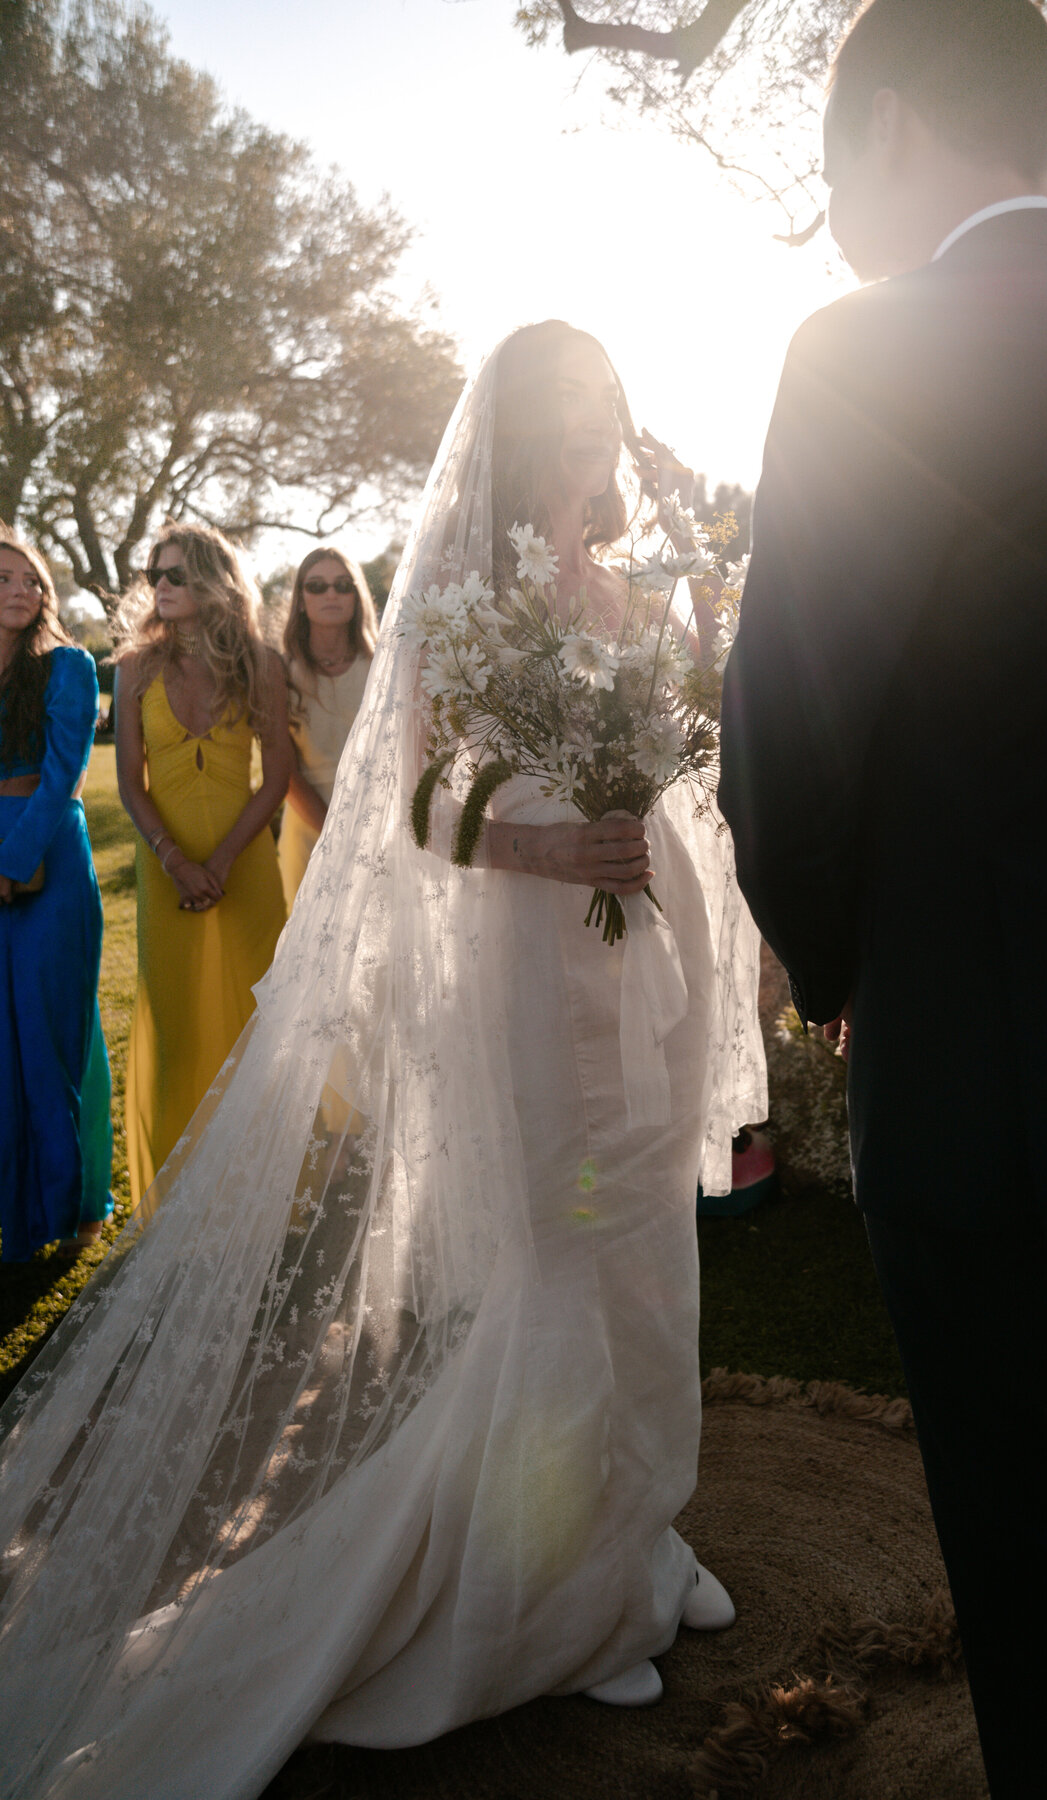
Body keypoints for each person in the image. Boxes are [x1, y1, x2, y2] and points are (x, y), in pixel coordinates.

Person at [0, 323, 765, 1798]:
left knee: (646, 1260)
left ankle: (642, 1527)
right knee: (559, 1262)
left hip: (638, 965)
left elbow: (680, 735)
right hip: (533, 981)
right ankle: (557, 1597)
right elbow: (408, 810)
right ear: (525, 435)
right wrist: (547, 845)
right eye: (577, 419)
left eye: (611, 414)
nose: (598, 442)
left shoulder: (617, 586)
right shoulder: (459, 606)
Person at [718, 2, 1047, 1795]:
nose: (839, 203)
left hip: (961, 1044)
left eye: (840, 157)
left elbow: (782, 739)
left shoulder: (860, 352)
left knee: (1020, 1504)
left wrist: (834, 964)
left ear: (899, 125)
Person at [113, 522, 290, 1205]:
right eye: (155, 573)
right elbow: (132, 781)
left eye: (176, 574)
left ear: (214, 581)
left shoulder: (260, 664)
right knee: (179, 1025)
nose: (160, 585)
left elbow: (274, 779)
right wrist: (177, 863)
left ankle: (258, 1185)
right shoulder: (134, 665)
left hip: (245, 862)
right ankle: (180, 1192)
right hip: (165, 867)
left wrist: (217, 862)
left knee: (254, 1020)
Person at [0, 527, 112, 1261]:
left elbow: (66, 771)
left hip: (47, 858)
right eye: (4, 578)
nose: (20, 590)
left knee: (49, 1033)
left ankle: (66, 1209)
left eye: (30, 579)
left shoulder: (68, 666)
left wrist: (12, 862)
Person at [277, 547, 377, 911]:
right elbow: (283, 773)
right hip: (308, 832)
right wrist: (335, 836)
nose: (331, 594)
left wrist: (365, 836)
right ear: (300, 601)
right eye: (316, 586)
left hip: (378, 832)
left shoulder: (385, 666)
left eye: (343, 585)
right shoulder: (280, 674)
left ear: (357, 596)